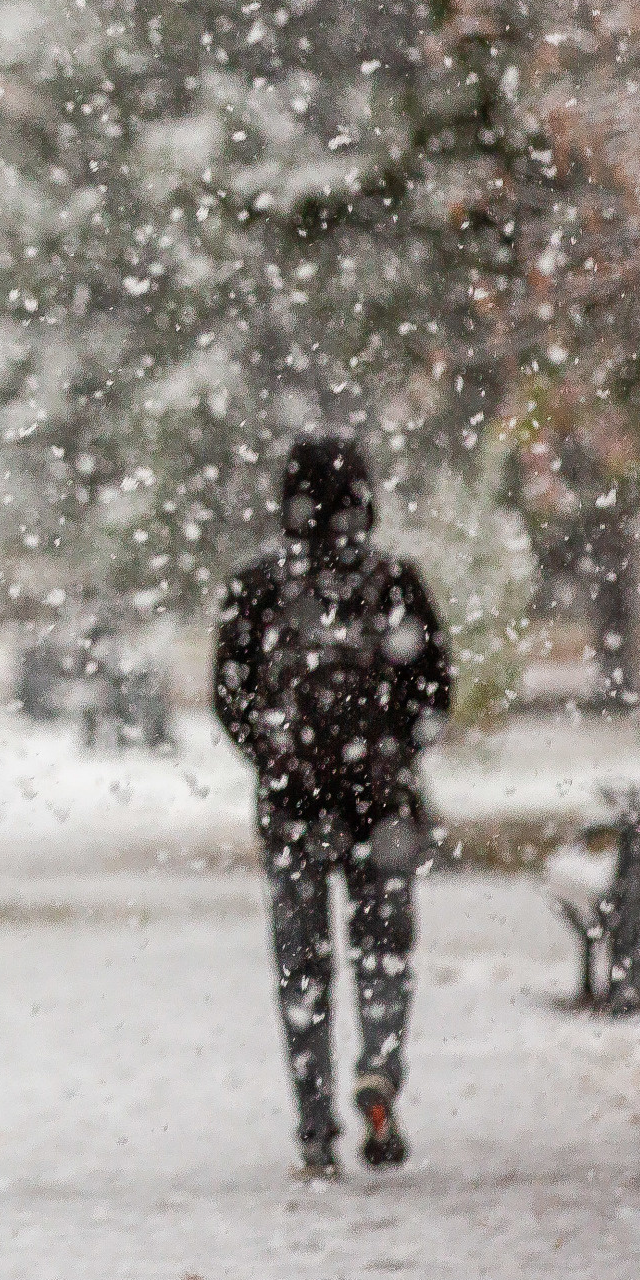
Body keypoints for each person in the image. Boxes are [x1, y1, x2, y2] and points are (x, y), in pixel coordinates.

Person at [212, 434, 452, 1178]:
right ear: (364, 502)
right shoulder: (395, 581)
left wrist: (276, 757)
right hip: (381, 805)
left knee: (302, 972)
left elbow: (227, 695)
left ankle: (315, 1131)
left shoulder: (256, 586)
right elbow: (435, 688)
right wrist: (394, 754)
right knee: (384, 953)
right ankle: (378, 1066)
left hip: (294, 810)